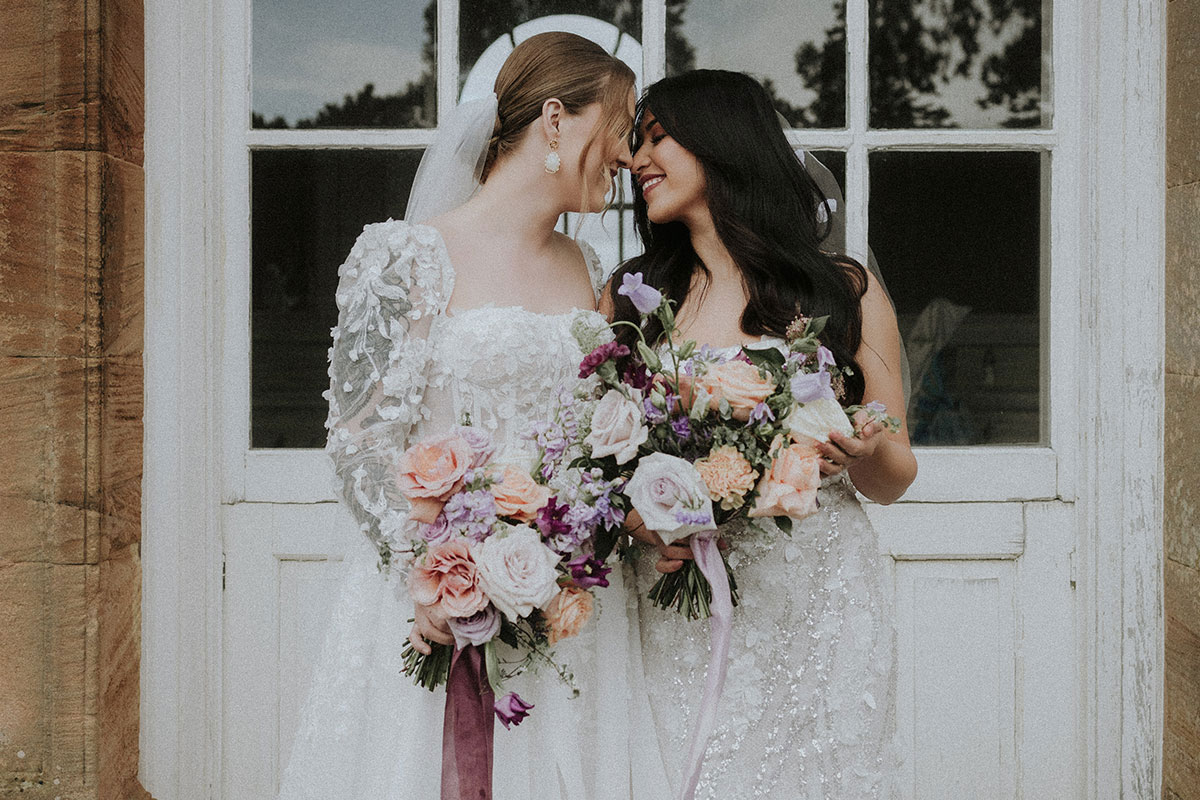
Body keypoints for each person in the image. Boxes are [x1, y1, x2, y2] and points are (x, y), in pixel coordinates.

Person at [278, 32, 666, 800]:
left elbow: (595, 428)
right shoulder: (405, 257)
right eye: (618, 127)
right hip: (438, 595)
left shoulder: (587, 269)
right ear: (555, 119)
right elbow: (358, 440)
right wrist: (435, 575)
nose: (628, 156)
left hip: (572, 606)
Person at [603, 69, 917, 798]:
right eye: (634, 143)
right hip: (683, 604)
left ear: (723, 144)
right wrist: (643, 524)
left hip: (819, 597)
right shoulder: (633, 298)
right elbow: (602, 470)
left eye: (657, 139)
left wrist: (865, 452)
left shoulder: (842, 291)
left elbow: (896, 474)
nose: (638, 160)